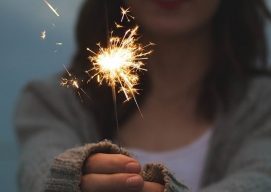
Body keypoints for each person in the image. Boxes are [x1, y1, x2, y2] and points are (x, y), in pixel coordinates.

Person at [15, 0, 271, 191]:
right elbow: (40, 168)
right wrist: (68, 178)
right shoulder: (55, 101)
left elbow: (260, 178)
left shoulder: (263, 104)